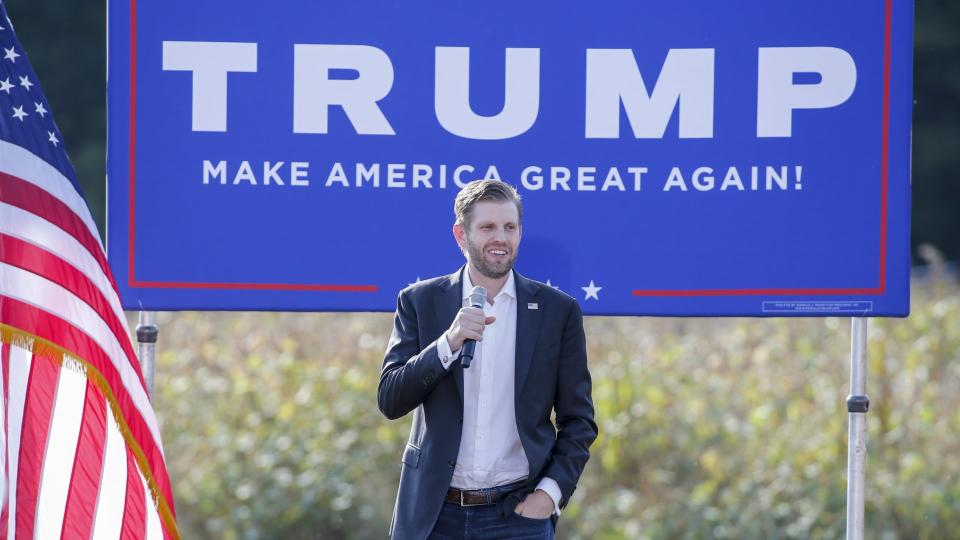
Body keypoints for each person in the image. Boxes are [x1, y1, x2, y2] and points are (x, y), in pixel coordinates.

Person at [378, 179, 598, 539]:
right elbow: (390, 399)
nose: (501, 238)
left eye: (510, 227)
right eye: (488, 227)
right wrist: (449, 342)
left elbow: (579, 420)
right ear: (461, 235)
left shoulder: (557, 311)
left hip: (517, 517)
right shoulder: (420, 301)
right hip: (433, 516)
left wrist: (550, 493)